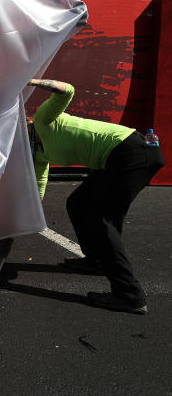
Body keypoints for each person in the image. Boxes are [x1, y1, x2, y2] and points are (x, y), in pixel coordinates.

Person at [29, 78, 164, 314]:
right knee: (78, 203)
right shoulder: (39, 151)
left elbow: (67, 90)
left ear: (26, 124)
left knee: (102, 221)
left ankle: (130, 295)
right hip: (114, 162)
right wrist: (33, 209)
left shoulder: (43, 119)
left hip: (132, 152)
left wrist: (32, 80)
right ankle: (95, 261)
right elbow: (40, 181)